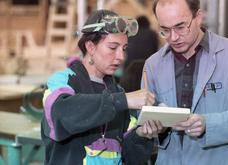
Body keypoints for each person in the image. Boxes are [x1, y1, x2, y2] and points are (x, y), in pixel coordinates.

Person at [141, 0, 228, 164]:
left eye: (181, 27)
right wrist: (152, 129)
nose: (174, 37)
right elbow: (145, 122)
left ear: (198, 17)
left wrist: (208, 124)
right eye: (165, 30)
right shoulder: (153, 65)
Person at [41, 9, 163, 165]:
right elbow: (62, 115)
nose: (121, 56)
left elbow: (128, 156)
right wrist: (121, 101)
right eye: (113, 48)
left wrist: (141, 135)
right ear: (90, 47)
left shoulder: (117, 92)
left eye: (124, 49)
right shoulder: (62, 82)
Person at [120, 15, 159, 92]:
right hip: (146, 68)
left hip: (129, 68)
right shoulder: (152, 34)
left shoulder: (131, 34)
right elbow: (155, 52)